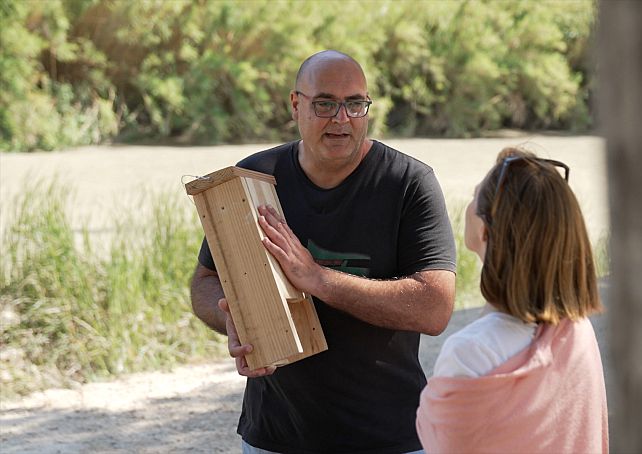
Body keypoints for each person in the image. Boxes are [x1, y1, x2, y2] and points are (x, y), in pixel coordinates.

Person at [189, 50, 457, 453]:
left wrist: (318, 279)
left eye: (355, 104)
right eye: (325, 104)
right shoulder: (252, 179)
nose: (342, 119)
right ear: (295, 105)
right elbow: (206, 282)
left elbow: (434, 308)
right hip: (274, 438)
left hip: (390, 439)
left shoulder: (407, 182)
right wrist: (234, 318)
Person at [416, 147, 609, 453]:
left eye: (474, 195)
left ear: (485, 231)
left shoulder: (470, 352)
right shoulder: (578, 329)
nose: (470, 202)